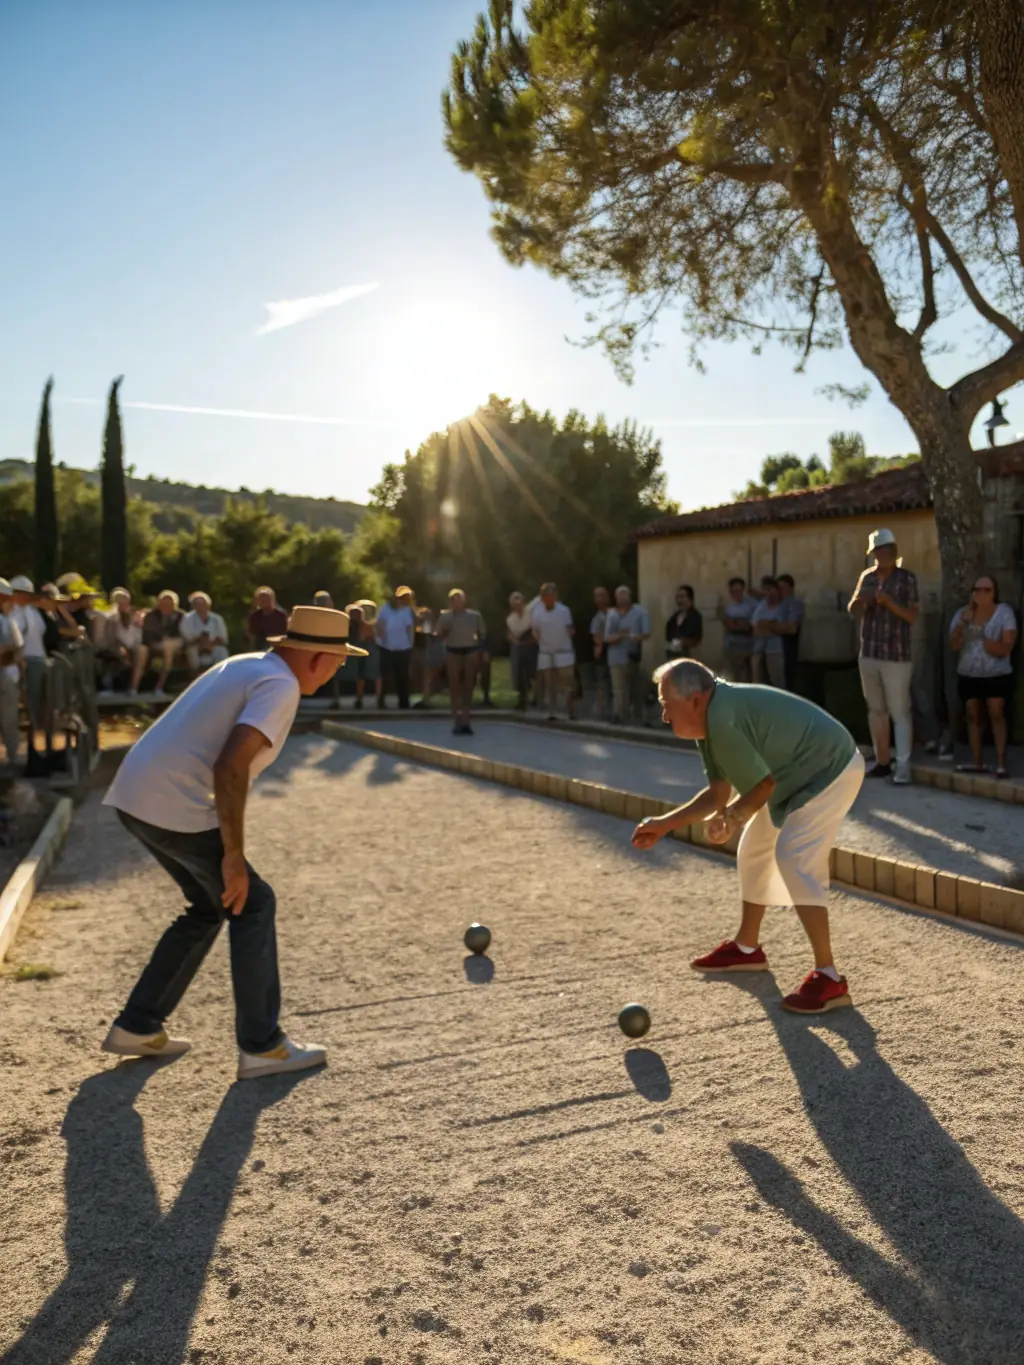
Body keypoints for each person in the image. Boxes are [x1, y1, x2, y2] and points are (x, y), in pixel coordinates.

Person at [100, 605, 367, 1078]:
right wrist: (234, 858)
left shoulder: (247, 663)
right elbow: (231, 765)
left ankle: (138, 1024)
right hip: (173, 804)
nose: (337, 671)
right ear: (315, 659)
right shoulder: (281, 685)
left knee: (208, 908)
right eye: (339, 662)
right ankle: (262, 1045)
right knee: (253, 901)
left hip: (133, 796)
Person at [631, 659, 865, 1014]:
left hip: (831, 768)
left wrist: (734, 817)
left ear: (694, 700)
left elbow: (761, 787)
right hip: (794, 776)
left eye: (667, 705)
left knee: (794, 856)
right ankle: (746, 948)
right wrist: (664, 824)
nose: (664, 716)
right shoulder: (710, 720)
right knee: (754, 850)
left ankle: (829, 977)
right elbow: (717, 795)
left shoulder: (721, 719)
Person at [848, 528, 919, 785]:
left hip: (897, 656)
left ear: (894, 551)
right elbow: (852, 609)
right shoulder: (866, 577)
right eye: (878, 551)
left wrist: (889, 602)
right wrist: (862, 601)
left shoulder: (907, 579)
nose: (883, 555)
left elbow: (911, 616)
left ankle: (903, 767)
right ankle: (881, 762)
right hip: (869, 653)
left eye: (887, 550)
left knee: (900, 712)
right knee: (876, 710)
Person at [949, 573, 1017, 777]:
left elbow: (1006, 646)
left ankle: (1001, 762)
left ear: (994, 593)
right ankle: (977, 761)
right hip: (969, 674)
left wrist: (989, 644)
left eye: (986, 590)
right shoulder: (963, 614)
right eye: (977, 589)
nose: (981, 594)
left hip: (996, 674)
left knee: (996, 713)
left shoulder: (1004, 613)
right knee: (972, 715)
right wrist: (962, 624)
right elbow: (953, 644)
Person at [436, 588, 485, 735]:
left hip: (470, 650)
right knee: (454, 684)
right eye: (453, 600)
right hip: (453, 650)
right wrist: (441, 634)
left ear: (464, 600)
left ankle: (466, 718)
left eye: (459, 599)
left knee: (468, 684)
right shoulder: (445, 617)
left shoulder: (474, 616)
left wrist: (481, 650)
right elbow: (438, 633)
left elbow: (482, 634)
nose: (456, 602)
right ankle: (456, 718)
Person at [10, 575, 50, 745]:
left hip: (40, 659)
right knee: (30, 700)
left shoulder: (33, 611)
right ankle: (30, 741)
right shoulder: (14, 612)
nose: (25, 596)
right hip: (27, 661)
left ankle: (37, 738)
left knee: (41, 700)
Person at [604, 585, 651, 724]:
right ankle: (618, 715)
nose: (622, 599)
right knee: (619, 688)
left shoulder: (640, 612)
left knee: (635, 688)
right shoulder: (612, 615)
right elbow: (607, 637)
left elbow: (647, 633)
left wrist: (637, 637)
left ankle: (638, 717)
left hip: (633, 656)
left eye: (625, 596)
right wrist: (621, 635)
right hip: (616, 657)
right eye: (620, 596)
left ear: (630, 597)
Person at [531, 582, 576, 721]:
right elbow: (535, 629)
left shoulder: (564, 611)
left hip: (563, 651)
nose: (548, 599)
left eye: (551, 595)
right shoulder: (537, 612)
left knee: (567, 683)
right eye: (545, 596)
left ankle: (571, 712)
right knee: (550, 684)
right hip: (546, 651)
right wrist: (536, 636)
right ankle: (552, 711)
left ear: (555, 596)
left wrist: (570, 631)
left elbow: (569, 627)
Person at [97, 588, 146, 695]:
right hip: (111, 646)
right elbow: (113, 637)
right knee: (116, 654)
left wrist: (135, 624)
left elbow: (135, 639)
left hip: (128, 646)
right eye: (121, 602)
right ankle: (107, 687)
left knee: (142, 651)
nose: (124, 604)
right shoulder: (111, 617)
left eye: (126, 601)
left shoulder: (133, 617)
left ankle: (133, 688)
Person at [376, 585, 416, 709]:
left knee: (402, 676)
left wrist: (411, 644)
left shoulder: (407, 611)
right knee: (385, 675)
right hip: (386, 647)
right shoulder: (385, 609)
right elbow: (380, 624)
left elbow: (410, 628)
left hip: (403, 648)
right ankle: (381, 700)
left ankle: (404, 702)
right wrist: (381, 635)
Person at [141, 591, 185, 698]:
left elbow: (184, 633)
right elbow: (147, 633)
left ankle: (160, 685)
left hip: (177, 643)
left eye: (170, 604)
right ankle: (160, 685)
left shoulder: (181, 616)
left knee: (169, 646)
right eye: (164, 603)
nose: (166, 606)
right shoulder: (151, 616)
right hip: (156, 643)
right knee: (167, 648)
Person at [0, 580, 23, 768]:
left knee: (10, 720)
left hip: (7, 674)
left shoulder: (7, 620)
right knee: (8, 719)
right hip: (4, 673)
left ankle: (12, 760)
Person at [180, 592, 230, 675]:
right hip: (196, 646)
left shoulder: (217, 619)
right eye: (197, 604)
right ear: (193, 606)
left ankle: (221, 676)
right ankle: (196, 677)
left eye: (203, 604)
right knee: (192, 653)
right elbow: (187, 637)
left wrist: (211, 644)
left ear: (208, 605)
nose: (200, 606)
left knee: (222, 651)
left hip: (214, 645)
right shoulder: (187, 618)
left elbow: (223, 638)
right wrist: (201, 642)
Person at [751, 576, 786, 688]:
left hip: (775, 651)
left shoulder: (783, 607)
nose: (768, 593)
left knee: (777, 683)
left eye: (771, 589)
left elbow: (782, 628)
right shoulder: (762, 605)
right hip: (759, 650)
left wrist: (766, 625)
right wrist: (770, 625)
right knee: (758, 683)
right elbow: (756, 628)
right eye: (765, 590)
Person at [346, 601, 382, 709]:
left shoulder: (366, 627)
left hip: (369, 654)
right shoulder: (353, 627)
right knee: (362, 676)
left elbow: (364, 638)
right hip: (362, 655)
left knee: (374, 675)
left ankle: (377, 699)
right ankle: (361, 698)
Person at [721, 577, 757, 682]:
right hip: (731, 645)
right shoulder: (730, 606)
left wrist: (738, 624)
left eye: (738, 591)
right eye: (733, 592)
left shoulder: (752, 605)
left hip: (747, 646)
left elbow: (750, 625)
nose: (736, 594)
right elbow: (727, 623)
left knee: (746, 677)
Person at [507, 591, 538, 711]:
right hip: (519, 646)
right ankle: (522, 699)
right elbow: (510, 634)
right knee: (519, 673)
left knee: (532, 672)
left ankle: (535, 697)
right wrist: (515, 641)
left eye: (519, 600)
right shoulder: (511, 619)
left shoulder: (530, 614)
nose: (517, 603)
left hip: (531, 645)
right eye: (514, 601)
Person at [775, 574, 804, 693]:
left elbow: (792, 627)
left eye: (784, 587)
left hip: (789, 645)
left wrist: (771, 626)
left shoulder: (794, 603)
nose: (781, 590)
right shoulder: (779, 603)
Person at [589, 586, 613, 720]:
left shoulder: (614, 614)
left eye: (602, 596)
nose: (600, 599)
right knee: (602, 682)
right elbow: (596, 638)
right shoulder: (596, 619)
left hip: (617, 652)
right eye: (597, 596)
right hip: (603, 653)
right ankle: (601, 710)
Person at [665, 585, 703, 660]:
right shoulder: (673, 618)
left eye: (682, 597)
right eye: (677, 597)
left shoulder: (695, 617)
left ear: (690, 598)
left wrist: (683, 642)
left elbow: (697, 639)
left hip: (689, 657)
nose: (679, 600)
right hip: (674, 657)